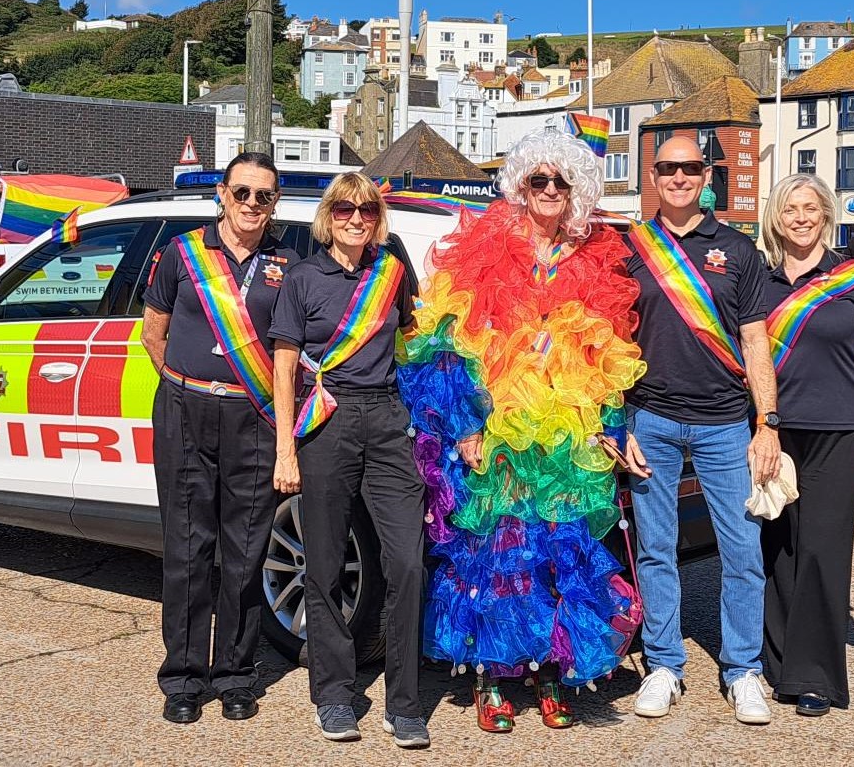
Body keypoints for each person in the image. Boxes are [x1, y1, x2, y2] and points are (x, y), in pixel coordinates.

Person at [397, 129, 644, 733]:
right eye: (540, 180)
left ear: (578, 190)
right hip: (498, 435)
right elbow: (442, 348)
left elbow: (610, 356)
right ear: (521, 186)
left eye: (562, 182)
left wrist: (609, 428)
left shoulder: (595, 258)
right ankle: (496, 676)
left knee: (561, 553)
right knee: (500, 556)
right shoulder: (486, 248)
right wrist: (462, 426)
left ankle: (555, 673)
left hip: (565, 441)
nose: (551, 191)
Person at [619, 135, 782, 726]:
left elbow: (755, 339)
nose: (680, 177)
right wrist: (618, 424)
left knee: (741, 551)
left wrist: (768, 422)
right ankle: (665, 664)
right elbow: (611, 342)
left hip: (723, 422)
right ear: (653, 176)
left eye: (690, 168)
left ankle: (742, 669)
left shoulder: (736, 250)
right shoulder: (630, 249)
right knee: (657, 550)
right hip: (651, 419)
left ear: (705, 174)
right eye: (669, 168)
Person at [269, 172, 428, 749]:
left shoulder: (392, 274)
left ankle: (404, 704)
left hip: (387, 421)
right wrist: (286, 447)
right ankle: (334, 696)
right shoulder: (303, 278)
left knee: (408, 562)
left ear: (377, 217)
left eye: (365, 209)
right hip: (327, 421)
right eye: (344, 209)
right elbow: (283, 367)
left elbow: (415, 345)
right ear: (328, 216)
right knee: (326, 565)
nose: (355, 218)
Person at [141, 152, 299, 724]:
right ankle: (183, 678)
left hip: (252, 418)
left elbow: (290, 350)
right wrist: (188, 383)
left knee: (244, 553)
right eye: (242, 193)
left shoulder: (287, 260)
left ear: (274, 202)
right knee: (187, 551)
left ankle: (235, 674)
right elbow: (152, 332)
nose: (252, 204)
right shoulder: (182, 254)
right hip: (185, 410)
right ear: (222, 196)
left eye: (264, 196)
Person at [758, 173, 854, 717]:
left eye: (810, 208)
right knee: (777, 546)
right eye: (790, 208)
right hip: (774, 430)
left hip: (841, 429)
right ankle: (778, 663)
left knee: (822, 547)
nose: (800, 217)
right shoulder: (761, 283)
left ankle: (815, 675)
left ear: (826, 214)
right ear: (777, 215)